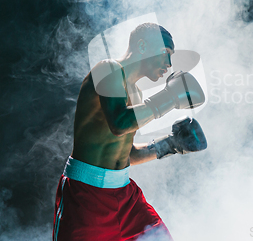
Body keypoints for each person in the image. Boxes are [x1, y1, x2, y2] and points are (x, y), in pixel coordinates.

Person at [53, 23, 207, 241]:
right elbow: (119, 123)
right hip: (85, 195)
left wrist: (172, 144)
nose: (169, 63)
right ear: (142, 45)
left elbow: (128, 154)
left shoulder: (136, 94)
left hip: (125, 196)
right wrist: (170, 98)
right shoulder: (108, 69)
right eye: (165, 53)